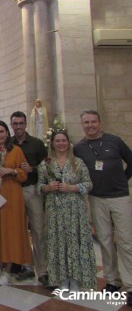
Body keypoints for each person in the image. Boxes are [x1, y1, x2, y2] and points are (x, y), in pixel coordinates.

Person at [74, 110, 132, 306]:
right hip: (97, 198)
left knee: (125, 241)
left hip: (119, 197)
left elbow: (131, 161)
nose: (90, 125)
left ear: (100, 122)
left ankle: (130, 285)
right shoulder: (79, 148)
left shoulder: (114, 141)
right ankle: (112, 281)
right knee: (105, 240)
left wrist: (123, 179)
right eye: (86, 122)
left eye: (93, 122)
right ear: (82, 125)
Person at [37, 130, 96, 291]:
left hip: (74, 209)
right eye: (57, 141)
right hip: (54, 210)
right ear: (52, 143)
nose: (61, 144)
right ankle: (62, 278)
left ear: (68, 143)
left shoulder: (77, 162)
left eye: (63, 141)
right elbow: (39, 186)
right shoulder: (46, 164)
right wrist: (48, 187)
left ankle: (75, 278)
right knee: (58, 243)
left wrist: (73, 187)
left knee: (74, 243)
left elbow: (89, 183)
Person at [0, 120, 32, 286]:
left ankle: (8, 269)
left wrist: (12, 171)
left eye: (1, 132)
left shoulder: (16, 151)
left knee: (11, 231)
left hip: (12, 195)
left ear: (7, 133)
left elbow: (24, 174)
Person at [9, 111, 49, 286]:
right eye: (15, 124)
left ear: (26, 124)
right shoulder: (8, 143)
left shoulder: (37, 144)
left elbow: (48, 167)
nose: (18, 127)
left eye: (21, 123)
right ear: (11, 125)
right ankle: (26, 266)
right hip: (14, 191)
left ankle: (42, 270)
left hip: (32, 190)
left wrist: (32, 169)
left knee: (38, 230)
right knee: (19, 230)